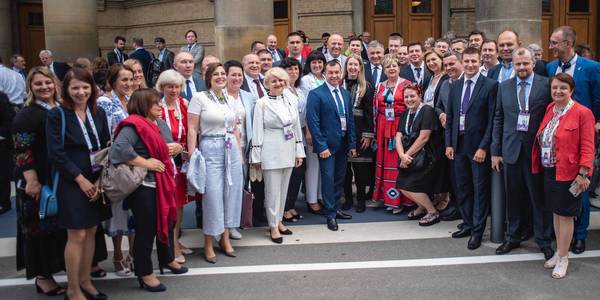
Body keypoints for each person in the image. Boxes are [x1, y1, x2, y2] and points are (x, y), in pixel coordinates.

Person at [109, 88, 188, 292]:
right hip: (144, 185)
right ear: (143, 105)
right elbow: (118, 150)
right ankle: (145, 273)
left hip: (164, 181)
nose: (160, 106)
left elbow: (169, 145)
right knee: (147, 229)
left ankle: (167, 258)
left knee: (168, 221)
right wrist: (146, 162)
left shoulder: (159, 122)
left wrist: (177, 148)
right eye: (155, 103)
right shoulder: (133, 125)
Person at [47, 67, 112, 300]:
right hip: (71, 179)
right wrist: (81, 180)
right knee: (77, 235)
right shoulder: (57, 115)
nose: (81, 92)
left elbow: (106, 146)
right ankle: (73, 287)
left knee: (92, 231)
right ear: (66, 89)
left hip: (95, 178)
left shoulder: (99, 112)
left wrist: (98, 179)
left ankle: (85, 280)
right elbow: (56, 153)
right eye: (75, 87)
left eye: (85, 87)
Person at [491, 47, 554, 259]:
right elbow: (498, 119)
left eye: (526, 63)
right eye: (518, 64)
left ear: (534, 63)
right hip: (510, 152)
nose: (522, 67)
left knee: (539, 199)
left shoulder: (546, 85)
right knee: (513, 198)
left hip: (536, 152)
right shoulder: (504, 87)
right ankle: (513, 236)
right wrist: (495, 151)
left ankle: (544, 240)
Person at [532, 73, 594, 279]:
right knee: (556, 213)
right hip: (550, 170)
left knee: (566, 215)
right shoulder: (551, 108)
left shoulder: (583, 113)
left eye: (563, 88)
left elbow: (587, 146)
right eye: (555, 88)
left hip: (570, 173)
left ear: (572, 90)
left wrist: (583, 174)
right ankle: (559, 252)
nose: (558, 91)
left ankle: (564, 258)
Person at [12, 67, 67, 296]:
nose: (44, 87)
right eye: (38, 84)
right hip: (37, 180)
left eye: (48, 82)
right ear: (30, 88)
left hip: (60, 177)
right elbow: (22, 150)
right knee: (38, 228)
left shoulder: (62, 108)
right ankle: (42, 276)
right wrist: (32, 180)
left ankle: (61, 267)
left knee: (58, 228)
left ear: (55, 83)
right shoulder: (27, 114)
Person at [546, 25, 600, 254]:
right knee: (559, 190)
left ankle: (580, 235)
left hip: (584, 134)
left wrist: (597, 122)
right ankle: (561, 238)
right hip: (558, 139)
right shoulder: (549, 67)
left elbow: (598, 98)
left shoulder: (592, 68)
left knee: (581, 185)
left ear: (567, 44)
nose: (550, 47)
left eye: (554, 42)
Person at [187, 63, 243, 263]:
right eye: (216, 74)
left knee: (231, 194)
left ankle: (226, 238)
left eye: (222, 74)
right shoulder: (199, 98)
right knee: (212, 197)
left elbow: (235, 127)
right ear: (208, 77)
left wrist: (240, 154)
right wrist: (193, 154)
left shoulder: (229, 98)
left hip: (231, 149)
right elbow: (192, 128)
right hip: (210, 148)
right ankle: (209, 242)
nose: (220, 77)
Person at [445, 47, 498, 250]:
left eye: (473, 61)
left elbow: (492, 120)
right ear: (462, 62)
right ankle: (467, 223)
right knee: (463, 188)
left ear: (479, 61)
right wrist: (449, 143)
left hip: (477, 148)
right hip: (458, 146)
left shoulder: (491, 86)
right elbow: (451, 117)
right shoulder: (456, 85)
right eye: (466, 61)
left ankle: (477, 231)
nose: (469, 65)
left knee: (479, 190)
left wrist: (484, 146)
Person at [251, 67, 305, 243]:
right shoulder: (261, 103)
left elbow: (296, 128)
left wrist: (299, 152)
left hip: (288, 148)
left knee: (283, 189)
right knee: (272, 191)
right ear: (267, 83)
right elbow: (257, 130)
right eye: (274, 81)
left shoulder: (290, 100)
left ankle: (279, 220)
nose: (278, 83)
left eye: (281, 80)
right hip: (270, 150)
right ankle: (273, 225)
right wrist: (256, 157)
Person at [306, 60, 357, 231]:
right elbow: (313, 123)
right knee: (327, 179)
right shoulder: (316, 94)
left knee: (339, 179)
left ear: (341, 74)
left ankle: (335, 208)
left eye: (337, 72)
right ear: (325, 74)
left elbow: (350, 120)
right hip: (327, 146)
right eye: (331, 73)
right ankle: (330, 215)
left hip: (343, 144)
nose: (334, 76)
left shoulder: (345, 94)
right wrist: (321, 147)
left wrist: (352, 144)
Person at [97, 63, 135, 276]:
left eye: (131, 79)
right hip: (116, 164)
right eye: (124, 80)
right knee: (117, 212)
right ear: (112, 82)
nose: (129, 84)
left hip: (136, 163)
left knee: (134, 210)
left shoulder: (133, 100)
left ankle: (134, 253)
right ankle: (118, 255)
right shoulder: (104, 103)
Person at [154, 69, 194, 262]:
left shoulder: (184, 105)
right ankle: (171, 245)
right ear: (162, 87)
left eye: (177, 86)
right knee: (169, 205)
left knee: (179, 204)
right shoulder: (156, 108)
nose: (174, 90)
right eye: (170, 86)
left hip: (182, 162)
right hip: (164, 163)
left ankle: (176, 239)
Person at [395, 84, 441, 226]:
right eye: (406, 97)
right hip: (409, 157)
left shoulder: (427, 111)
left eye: (412, 96)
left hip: (427, 157)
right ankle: (421, 207)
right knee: (401, 185)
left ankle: (432, 211)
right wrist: (402, 155)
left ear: (419, 96)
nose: (409, 99)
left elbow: (424, 138)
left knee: (410, 185)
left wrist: (406, 156)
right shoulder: (405, 113)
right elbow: (398, 136)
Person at [371, 54, 412, 212]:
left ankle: (402, 200)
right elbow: (376, 108)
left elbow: (412, 105)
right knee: (385, 162)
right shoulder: (380, 86)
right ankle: (388, 198)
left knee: (398, 162)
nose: (392, 68)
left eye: (394, 65)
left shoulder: (408, 84)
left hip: (400, 125)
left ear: (399, 67)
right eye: (388, 66)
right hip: (383, 128)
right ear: (384, 69)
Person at [223, 59, 255, 240]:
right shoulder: (218, 96)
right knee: (227, 187)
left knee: (241, 187)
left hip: (244, 148)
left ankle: (234, 223)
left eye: (239, 75)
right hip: (225, 149)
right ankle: (224, 224)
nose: (236, 78)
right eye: (232, 74)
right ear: (225, 76)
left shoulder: (248, 97)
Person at [342, 54, 374, 213]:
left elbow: (370, 112)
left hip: (361, 131)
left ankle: (360, 199)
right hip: (342, 132)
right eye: (350, 64)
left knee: (360, 168)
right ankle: (348, 198)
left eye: (356, 65)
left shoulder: (366, 86)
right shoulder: (340, 84)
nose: (353, 67)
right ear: (346, 67)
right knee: (345, 169)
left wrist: (368, 134)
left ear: (360, 67)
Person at [300, 50, 328, 214]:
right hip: (313, 128)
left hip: (326, 129)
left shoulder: (324, 78)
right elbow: (306, 110)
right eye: (314, 63)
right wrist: (309, 132)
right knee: (312, 166)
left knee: (321, 165)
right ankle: (311, 199)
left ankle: (319, 196)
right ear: (309, 65)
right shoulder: (306, 81)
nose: (317, 65)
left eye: (320, 62)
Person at [280, 58, 307, 221]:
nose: (293, 72)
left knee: (298, 173)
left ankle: (291, 205)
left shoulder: (300, 91)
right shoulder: (282, 91)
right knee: (288, 175)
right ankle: (284, 208)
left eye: (296, 69)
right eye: (289, 69)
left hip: (301, 136)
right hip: (287, 138)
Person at [0, 91, 13, 214]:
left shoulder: (1, 96)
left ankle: (4, 203)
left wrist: (2, 134)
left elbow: (8, 118)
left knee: (2, 174)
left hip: (1, 143)